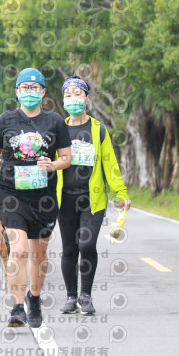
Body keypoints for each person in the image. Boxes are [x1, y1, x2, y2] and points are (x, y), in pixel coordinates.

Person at [0, 68, 72, 328]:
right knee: (17, 251)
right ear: (16, 91)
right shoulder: (4, 121)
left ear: (43, 92)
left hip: (44, 198)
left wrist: (53, 165)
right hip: (11, 193)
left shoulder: (55, 122)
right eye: (24, 87)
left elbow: (67, 158)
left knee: (39, 254)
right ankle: (18, 306)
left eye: (35, 88)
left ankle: (35, 297)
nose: (29, 92)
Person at [55, 76, 131, 315]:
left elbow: (110, 163)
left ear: (87, 99)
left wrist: (121, 192)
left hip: (92, 198)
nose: (73, 99)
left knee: (86, 245)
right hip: (64, 199)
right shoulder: (59, 128)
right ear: (63, 99)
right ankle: (70, 297)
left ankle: (85, 296)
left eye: (78, 94)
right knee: (69, 249)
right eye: (68, 95)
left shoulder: (98, 129)